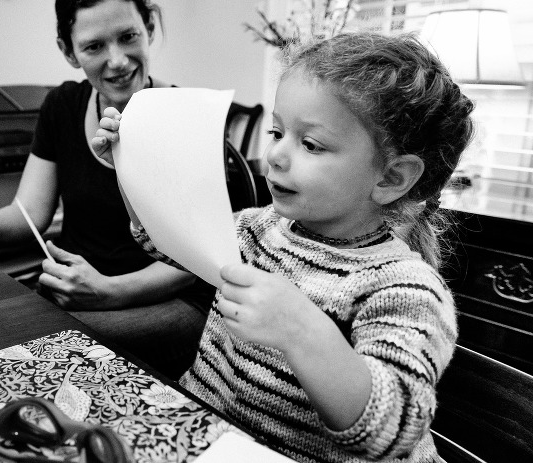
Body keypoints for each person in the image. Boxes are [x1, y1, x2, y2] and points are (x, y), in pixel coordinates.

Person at [93, 33, 475, 461]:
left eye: (310, 144)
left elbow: (391, 430)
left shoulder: (406, 290)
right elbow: (163, 239)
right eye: (277, 131)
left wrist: (301, 329)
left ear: (390, 178)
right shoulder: (261, 229)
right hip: (214, 441)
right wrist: (131, 165)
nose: (275, 154)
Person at [0, 0, 213, 380]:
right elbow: (27, 215)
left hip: (165, 303)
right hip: (77, 294)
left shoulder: (185, 117)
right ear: (68, 51)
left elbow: (195, 263)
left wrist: (107, 292)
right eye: (94, 46)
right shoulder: (62, 106)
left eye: (129, 36)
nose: (117, 60)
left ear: (149, 28)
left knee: (20, 343)